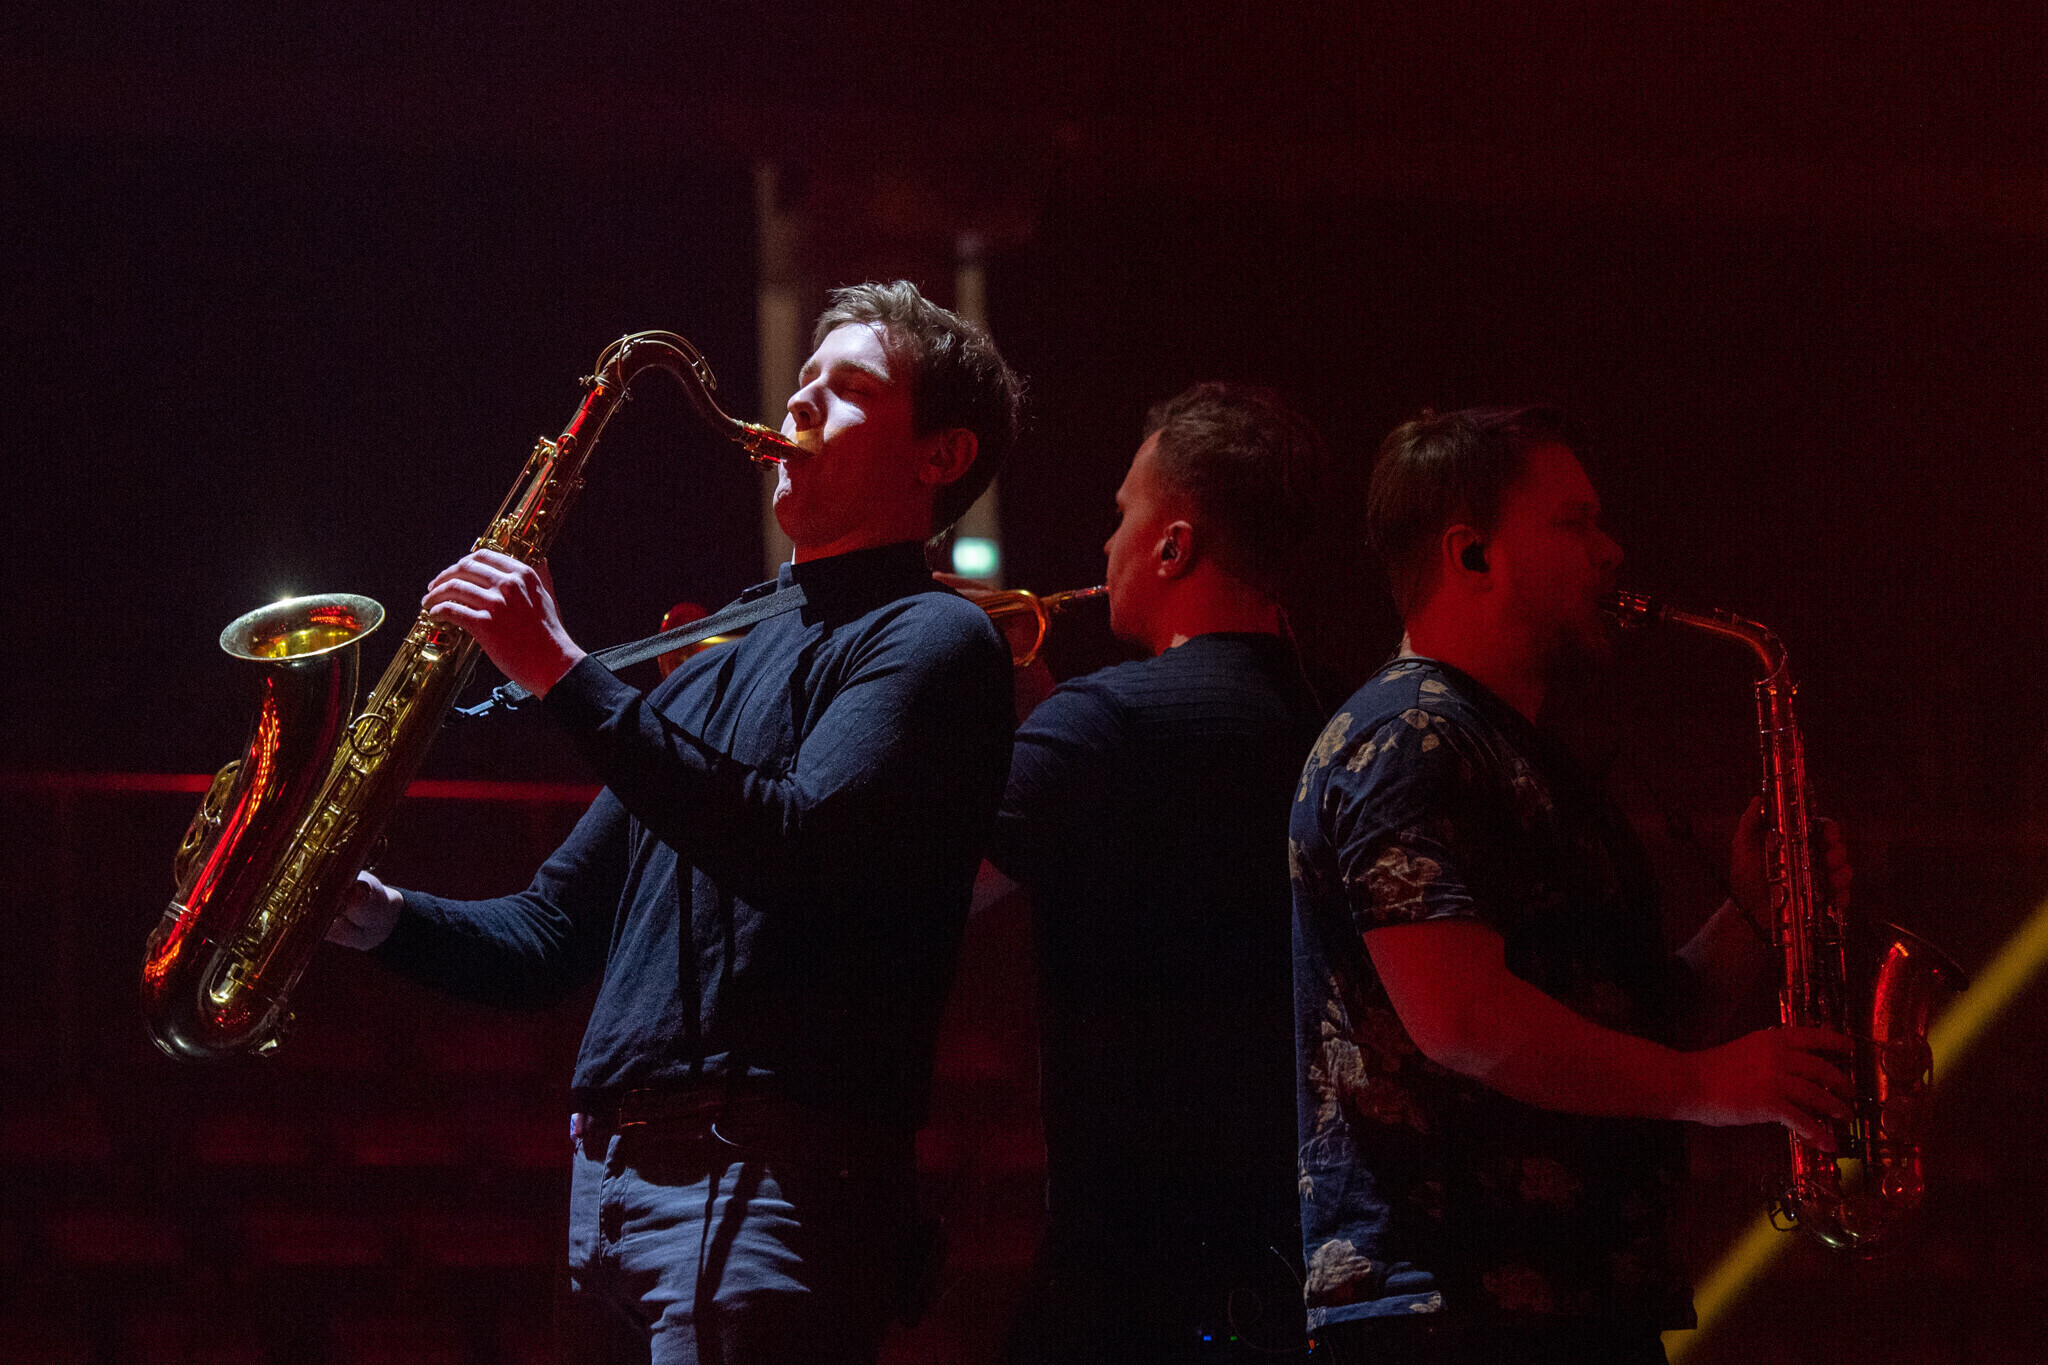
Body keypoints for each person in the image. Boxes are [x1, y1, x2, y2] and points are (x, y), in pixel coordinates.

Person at [327, 281, 1022, 1365]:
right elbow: (547, 936)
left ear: (942, 456)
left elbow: (797, 845)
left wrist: (563, 674)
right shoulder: (709, 672)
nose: (798, 405)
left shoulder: (931, 637)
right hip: (610, 1191)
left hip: (772, 1178)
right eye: (801, 380)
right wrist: (371, 913)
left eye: (848, 389)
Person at [1289, 407, 1854, 1364]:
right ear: (1473, 554)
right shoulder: (1408, 738)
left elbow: (1622, 1019)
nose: (1611, 549)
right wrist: (1708, 1086)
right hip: (1455, 1309)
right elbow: (1464, 1021)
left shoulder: (1509, 749)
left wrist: (1751, 918)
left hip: (1561, 1300)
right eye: (1574, 522)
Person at [990, 384, 1331, 1362]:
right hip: (1305, 1261)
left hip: (1125, 1268)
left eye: (1121, 516)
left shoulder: (1105, 720)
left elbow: (926, 881)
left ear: (1173, 546)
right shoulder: (1343, 725)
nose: (1106, 547)